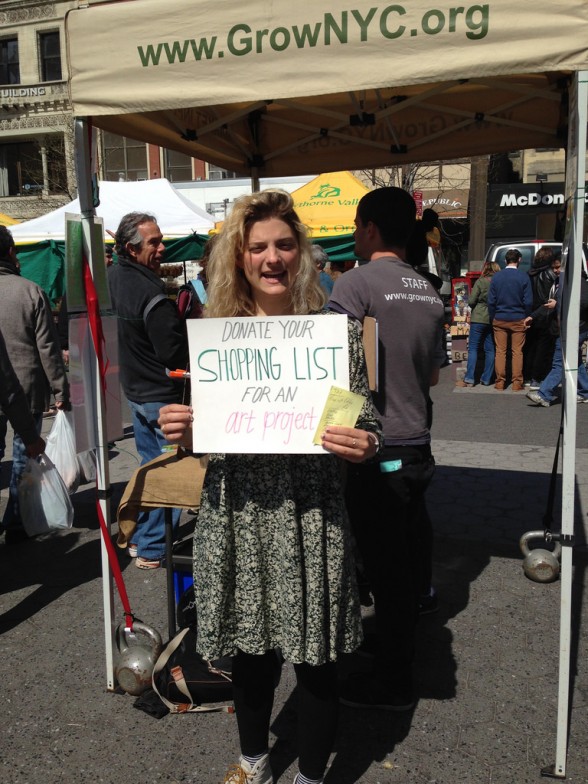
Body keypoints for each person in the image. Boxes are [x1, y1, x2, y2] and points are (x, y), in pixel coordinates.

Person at [158, 189, 382, 784]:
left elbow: (361, 421)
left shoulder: (332, 337)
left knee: (316, 659)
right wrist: (181, 431)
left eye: (284, 244)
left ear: (301, 253)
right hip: (238, 512)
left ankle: (310, 774)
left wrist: (366, 445)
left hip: (311, 515)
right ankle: (253, 758)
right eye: (257, 247)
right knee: (250, 653)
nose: (272, 257)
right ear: (239, 258)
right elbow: (203, 433)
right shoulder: (215, 338)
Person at [328, 187, 446, 711]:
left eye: (355, 227)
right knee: (404, 560)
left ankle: (393, 685)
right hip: (416, 443)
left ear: (370, 228)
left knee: (385, 570)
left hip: (375, 447)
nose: (353, 236)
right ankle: (394, 649)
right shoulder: (427, 289)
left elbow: (332, 370)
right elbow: (436, 375)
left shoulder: (355, 284)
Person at [108, 212, 188, 569]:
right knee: (169, 475)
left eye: (160, 239)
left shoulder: (112, 278)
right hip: (159, 393)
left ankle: (142, 539)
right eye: (153, 242)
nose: (161, 247)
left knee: (149, 469)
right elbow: (171, 350)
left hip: (135, 389)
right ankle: (153, 547)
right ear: (131, 248)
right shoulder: (149, 289)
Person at [0, 226, 69, 544]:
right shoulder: (30, 291)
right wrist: (60, 389)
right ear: (11, 253)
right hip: (25, 385)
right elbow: (48, 350)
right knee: (23, 453)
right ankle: (16, 518)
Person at [526, 274, 588, 407]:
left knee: (560, 362)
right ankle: (585, 391)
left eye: (559, 267)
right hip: (569, 328)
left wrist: (559, 304)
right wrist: (533, 316)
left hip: (575, 328)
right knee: (574, 361)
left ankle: (544, 394)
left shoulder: (578, 281)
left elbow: (583, 303)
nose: (556, 270)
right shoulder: (562, 281)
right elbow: (550, 304)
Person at [487, 248, 533, 391]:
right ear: (519, 260)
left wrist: (493, 315)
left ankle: (500, 382)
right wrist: (526, 316)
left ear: (505, 260)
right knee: (517, 351)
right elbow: (528, 302)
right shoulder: (523, 277)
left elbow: (491, 301)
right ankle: (517, 383)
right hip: (518, 318)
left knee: (500, 351)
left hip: (499, 318)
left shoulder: (496, 277)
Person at [0, 328, 46, 467]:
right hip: (28, 383)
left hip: (22, 390)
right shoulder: (33, 304)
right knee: (22, 459)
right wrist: (31, 437)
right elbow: (8, 389)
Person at [458, 261, 499, 387]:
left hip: (478, 317)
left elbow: (471, 300)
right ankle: (486, 379)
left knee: (473, 348)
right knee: (490, 349)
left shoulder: (481, 281)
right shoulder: (499, 282)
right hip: (493, 318)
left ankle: (470, 377)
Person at [524, 248, 561, 389]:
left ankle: (527, 376)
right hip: (546, 313)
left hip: (532, 313)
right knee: (543, 349)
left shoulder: (530, 273)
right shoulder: (550, 274)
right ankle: (536, 378)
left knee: (530, 347)